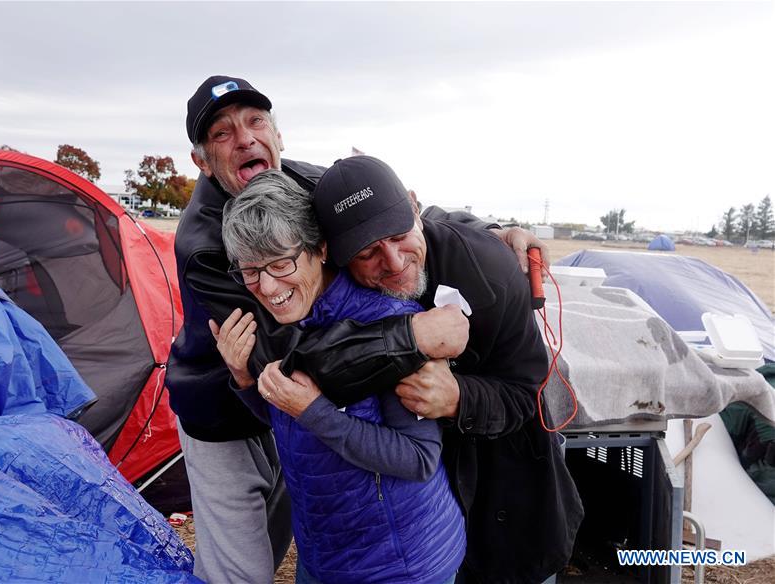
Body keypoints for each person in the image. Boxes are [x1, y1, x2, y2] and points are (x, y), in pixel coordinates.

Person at [166, 74, 550, 583]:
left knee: (318, 488)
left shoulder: (308, 187)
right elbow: (293, 369)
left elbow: (394, 205)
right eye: (221, 134)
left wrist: (483, 230)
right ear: (202, 161)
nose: (245, 139)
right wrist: (412, 338)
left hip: (316, 446)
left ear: (278, 135)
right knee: (241, 568)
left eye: (256, 121)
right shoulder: (208, 249)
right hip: (221, 411)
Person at [257, 155, 584, 583]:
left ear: (415, 208)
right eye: (368, 252)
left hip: (505, 479)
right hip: (417, 513)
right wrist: (410, 337)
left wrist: (458, 398)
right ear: (333, 258)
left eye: (398, 236)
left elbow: (528, 392)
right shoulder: (329, 292)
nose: (393, 262)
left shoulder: (491, 270)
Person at [213, 169, 466, 583]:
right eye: (250, 270)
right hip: (326, 554)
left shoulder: (392, 325)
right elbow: (296, 427)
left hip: (401, 564)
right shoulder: (288, 322)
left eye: (280, 264)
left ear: (321, 249)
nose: (266, 285)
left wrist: (315, 411)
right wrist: (243, 378)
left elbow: (419, 459)